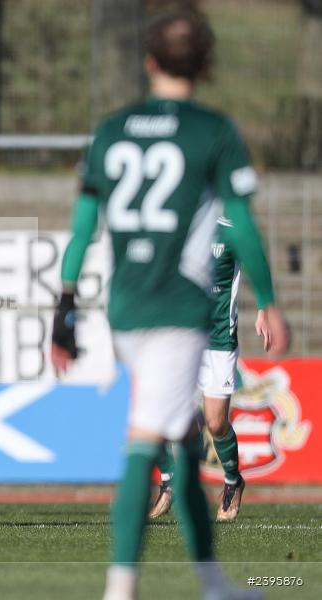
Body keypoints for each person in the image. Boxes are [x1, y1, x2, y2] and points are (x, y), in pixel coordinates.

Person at [51, 11, 289, 600]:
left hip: (126, 305)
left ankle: (213, 580)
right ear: (205, 65)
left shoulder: (110, 129)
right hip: (181, 309)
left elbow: (82, 229)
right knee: (146, 439)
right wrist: (273, 299)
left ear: (148, 62)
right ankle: (121, 586)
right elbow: (246, 230)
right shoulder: (212, 130)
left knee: (182, 439)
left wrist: (64, 305)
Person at [149, 218, 272, 522]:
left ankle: (233, 480)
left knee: (216, 424)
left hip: (219, 339)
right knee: (157, 405)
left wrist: (264, 308)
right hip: (182, 333)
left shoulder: (230, 225)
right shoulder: (179, 218)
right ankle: (168, 480)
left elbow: (257, 261)